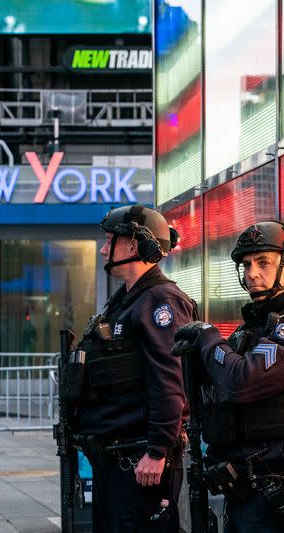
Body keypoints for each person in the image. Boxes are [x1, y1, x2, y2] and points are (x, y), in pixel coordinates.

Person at [173, 221, 284, 532]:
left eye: (263, 262)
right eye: (246, 264)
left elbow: (242, 381)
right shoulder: (255, 328)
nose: (251, 273)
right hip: (241, 486)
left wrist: (207, 336)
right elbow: (218, 384)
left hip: (277, 490)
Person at [66, 205, 196, 533]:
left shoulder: (160, 301)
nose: (104, 248)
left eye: (111, 240)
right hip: (117, 459)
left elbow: (170, 381)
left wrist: (157, 450)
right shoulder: (126, 301)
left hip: (140, 462)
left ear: (135, 245)